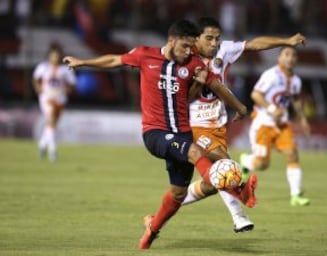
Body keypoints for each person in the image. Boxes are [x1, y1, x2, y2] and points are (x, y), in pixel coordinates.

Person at [63, 19, 251, 250]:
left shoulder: (193, 64)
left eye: (191, 47)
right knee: (195, 152)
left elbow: (217, 87)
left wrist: (240, 107)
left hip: (181, 134)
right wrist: (82, 62)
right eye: (184, 46)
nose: (188, 52)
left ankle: (152, 229)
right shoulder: (145, 55)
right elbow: (114, 60)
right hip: (155, 133)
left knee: (178, 193)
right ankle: (235, 189)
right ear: (171, 41)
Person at [181, 17, 307, 232]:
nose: (214, 43)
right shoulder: (185, 55)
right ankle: (239, 216)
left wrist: (286, 41)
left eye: (217, 39)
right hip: (192, 125)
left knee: (213, 183)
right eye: (208, 38)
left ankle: (165, 209)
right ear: (196, 39)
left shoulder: (224, 50)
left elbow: (254, 44)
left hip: (217, 125)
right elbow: (183, 96)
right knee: (225, 164)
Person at [240, 46, 311, 206]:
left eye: (293, 55)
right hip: (263, 124)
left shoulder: (296, 81)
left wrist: (303, 119)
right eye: (287, 54)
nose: (290, 58)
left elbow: (296, 100)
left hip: (282, 124)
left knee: (292, 153)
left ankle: (296, 195)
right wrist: (272, 109)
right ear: (279, 58)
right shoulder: (271, 75)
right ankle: (246, 162)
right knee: (262, 164)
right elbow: (255, 94)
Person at [33, 43, 76, 162]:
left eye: (57, 56)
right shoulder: (43, 67)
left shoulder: (65, 69)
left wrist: (68, 91)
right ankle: (52, 150)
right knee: (51, 119)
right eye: (53, 55)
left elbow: (72, 83)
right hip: (46, 98)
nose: (55, 58)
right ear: (49, 56)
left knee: (52, 125)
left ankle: (42, 144)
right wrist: (38, 89)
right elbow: (36, 78)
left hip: (60, 99)